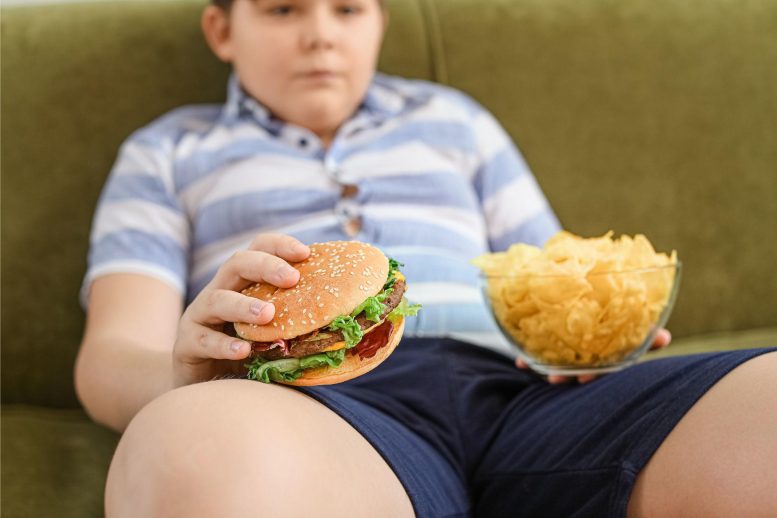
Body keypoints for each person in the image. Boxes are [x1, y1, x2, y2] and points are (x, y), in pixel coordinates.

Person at [74, 0, 777, 516]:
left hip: (525, 399)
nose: (320, 33)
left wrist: (583, 337)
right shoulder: (166, 152)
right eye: (282, 9)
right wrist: (186, 373)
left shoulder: (454, 122)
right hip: (316, 413)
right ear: (222, 29)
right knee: (187, 449)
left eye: (348, 9)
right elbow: (109, 355)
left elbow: (552, 272)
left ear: (379, 21)